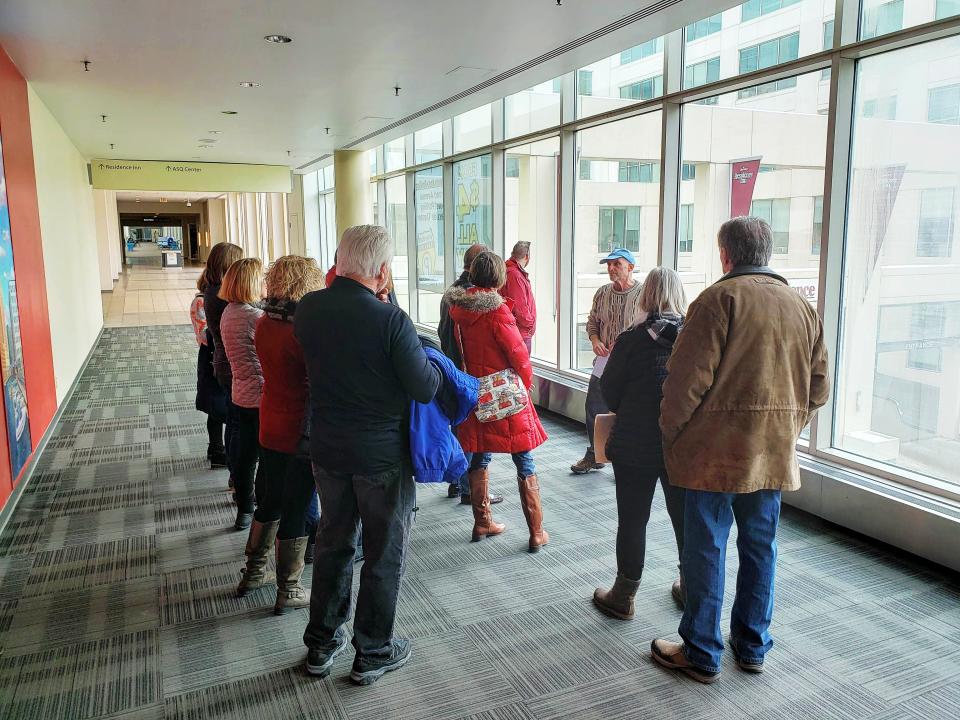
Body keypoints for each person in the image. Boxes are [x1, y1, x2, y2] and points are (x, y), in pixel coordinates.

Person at [651, 217, 830, 684]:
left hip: (712, 456)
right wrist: (786, 427)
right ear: (766, 253)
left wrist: (671, 435)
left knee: (705, 550)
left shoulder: (716, 300)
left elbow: (685, 384)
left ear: (726, 254)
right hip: (771, 455)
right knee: (760, 548)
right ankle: (752, 646)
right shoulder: (801, 306)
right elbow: (819, 386)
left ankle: (701, 651)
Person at [296, 225, 440, 685]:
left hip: (328, 449)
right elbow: (424, 385)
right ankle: (373, 650)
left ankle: (321, 644)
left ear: (338, 263)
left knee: (333, 544)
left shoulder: (309, 309)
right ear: (383, 271)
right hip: (381, 458)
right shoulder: (390, 321)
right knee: (383, 552)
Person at [592, 267, 687, 620]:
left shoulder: (630, 339)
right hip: (680, 444)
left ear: (645, 296)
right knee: (685, 519)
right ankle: (691, 585)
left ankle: (624, 594)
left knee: (632, 519)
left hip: (634, 442)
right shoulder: (693, 338)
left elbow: (609, 391)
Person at [236, 255, 324, 615]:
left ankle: (253, 572)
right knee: (298, 506)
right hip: (299, 428)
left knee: (269, 498)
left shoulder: (266, 322)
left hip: (270, 420)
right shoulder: (301, 331)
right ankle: (288, 588)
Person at [446, 251, 549, 552]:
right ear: (498, 278)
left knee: (480, 456)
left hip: (476, 393)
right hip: (504, 395)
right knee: (524, 459)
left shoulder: (460, 311)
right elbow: (519, 356)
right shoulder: (498, 312)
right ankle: (536, 531)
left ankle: (482, 522)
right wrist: (524, 386)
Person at [437, 243, 503, 505]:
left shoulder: (452, 293)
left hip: (453, 368)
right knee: (474, 433)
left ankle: (457, 481)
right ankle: (468, 487)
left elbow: (445, 333)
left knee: (461, 428)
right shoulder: (475, 299)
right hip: (470, 373)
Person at [570, 248, 643, 475]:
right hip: (605, 361)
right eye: (608, 265)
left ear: (630, 267)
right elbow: (592, 321)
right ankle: (596, 454)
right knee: (594, 406)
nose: (611, 269)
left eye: (616, 264)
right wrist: (594, 340)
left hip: (633, 363)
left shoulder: (644, 294)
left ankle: (630, 460)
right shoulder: (602, 293)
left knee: (630, 411)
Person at [218, 258, 264, 531]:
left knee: (245, 453)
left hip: (240, 390)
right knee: (265, 455)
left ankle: (244, 508)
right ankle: (260, 507)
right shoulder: (254, 317)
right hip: (260, 393)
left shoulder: (229, 312)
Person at [202, 242, 244, 489]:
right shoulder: (223, 296)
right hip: (231, 364)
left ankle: (231, 464)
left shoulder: (212, 291)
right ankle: (234, 469)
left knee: (231, 416)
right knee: (236, 420)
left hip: (223, 362)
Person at [190, 268, 227, 469]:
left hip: (220, 354)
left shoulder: (226, 299)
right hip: (211, 356)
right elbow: (204, 334)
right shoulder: (201, 301)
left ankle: (218, 449)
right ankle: (217, 449)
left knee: (222, 403)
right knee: (215, 405)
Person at [500, 241, 536, 354]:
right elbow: (520, 307)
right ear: (527, 257)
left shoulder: (507, 271)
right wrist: (530, 324)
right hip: (520, 333)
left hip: (515, 331)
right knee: (521, 369)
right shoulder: (515, 275)